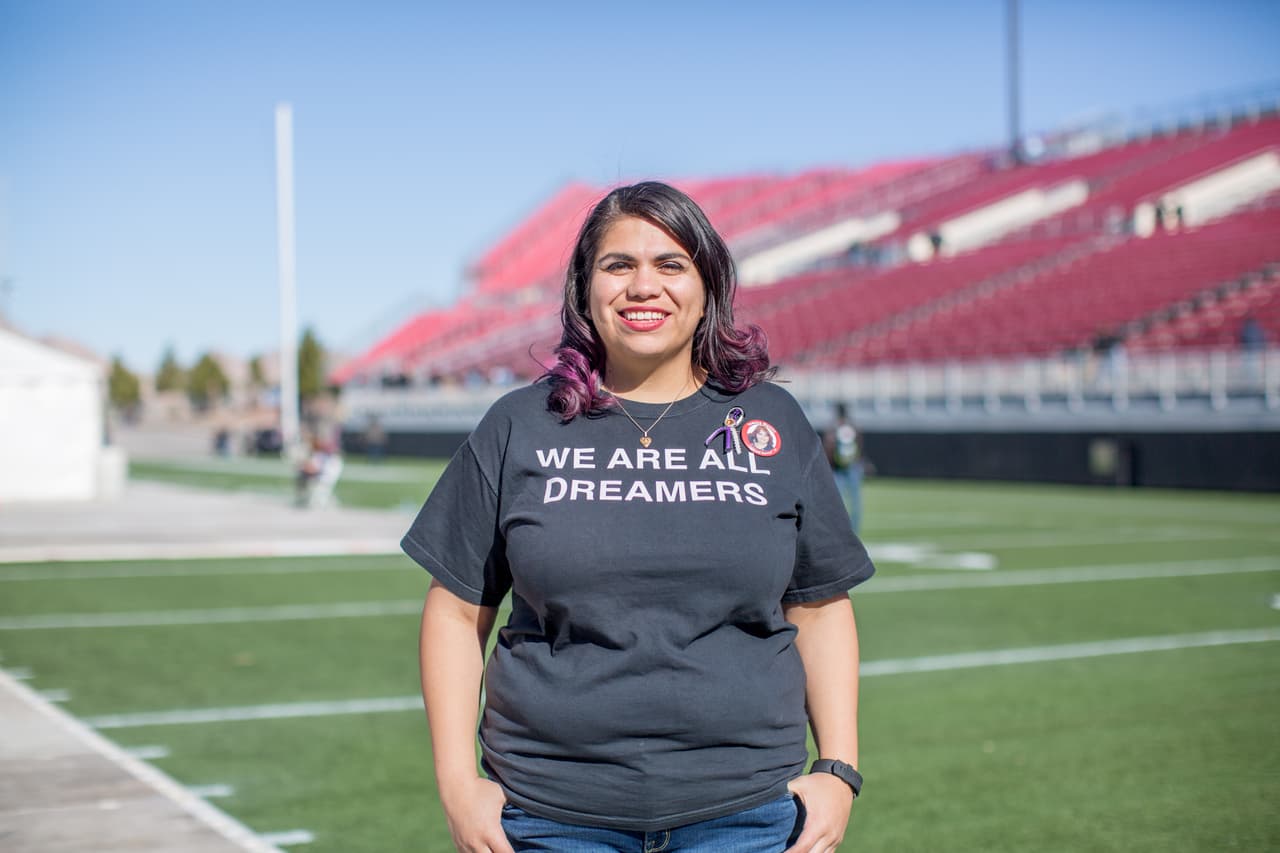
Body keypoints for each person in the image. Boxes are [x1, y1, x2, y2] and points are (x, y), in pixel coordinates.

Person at [405, 182, 874, 853]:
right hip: (549, 815)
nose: (642, 286)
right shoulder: (519, 425)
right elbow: (454, 610)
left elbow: (821, 607)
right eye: (618, 265)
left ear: (708, 284)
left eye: (670, 264)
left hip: (746, 815)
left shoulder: (774, 423)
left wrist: (837, 768)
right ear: (585, 289)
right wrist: (456, 783)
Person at [824, 403, 865, 534]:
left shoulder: (833, 427)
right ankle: (854, 532)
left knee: (837, 502)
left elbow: (828, 446)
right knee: (855, 502)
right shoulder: (853, 426)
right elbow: (859, 444)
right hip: (853, 466)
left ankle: (839, 530)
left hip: (837, 468)